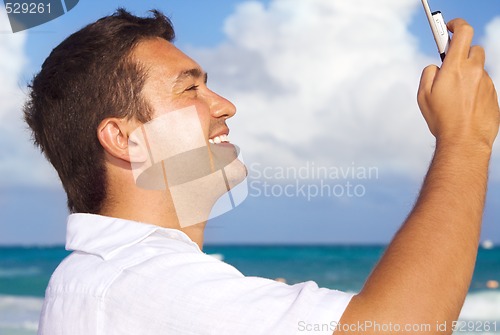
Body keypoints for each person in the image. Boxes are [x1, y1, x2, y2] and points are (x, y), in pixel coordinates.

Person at [24, 8, 498, 335]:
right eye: (189, 90)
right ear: (124, 138)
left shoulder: (87, 277)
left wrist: (246, 304)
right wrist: (465, 141)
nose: (225, 106)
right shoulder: (149, 284)